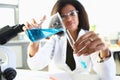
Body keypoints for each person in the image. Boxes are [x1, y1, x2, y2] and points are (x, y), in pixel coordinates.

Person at [23, 0, 116, 80]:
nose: (68, 19)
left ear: (79, 14)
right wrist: (34, 42)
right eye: (62, 16)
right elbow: (35, 65)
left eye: (72, 13)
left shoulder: (90, 38)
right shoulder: (55, 40)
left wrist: (104, 51)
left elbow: (108, 77)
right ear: (57, 20)